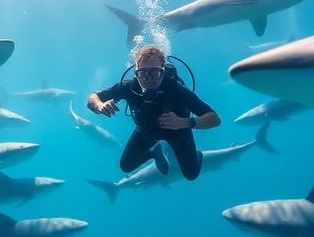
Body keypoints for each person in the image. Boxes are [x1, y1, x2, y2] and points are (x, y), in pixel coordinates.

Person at [87, 46, 221, 181]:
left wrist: (186, 122)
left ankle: (197, 155)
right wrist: (99, 106)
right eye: (142, 74)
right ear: (135, 72)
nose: (148, 79)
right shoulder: (128, 87)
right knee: (125, 166)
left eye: (154, 73)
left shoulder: (176, 89)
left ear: (163, 71)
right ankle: (154, 153)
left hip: (178, 131)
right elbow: (93, 97)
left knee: (191, 175)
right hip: (146, 131)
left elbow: (215, 118)